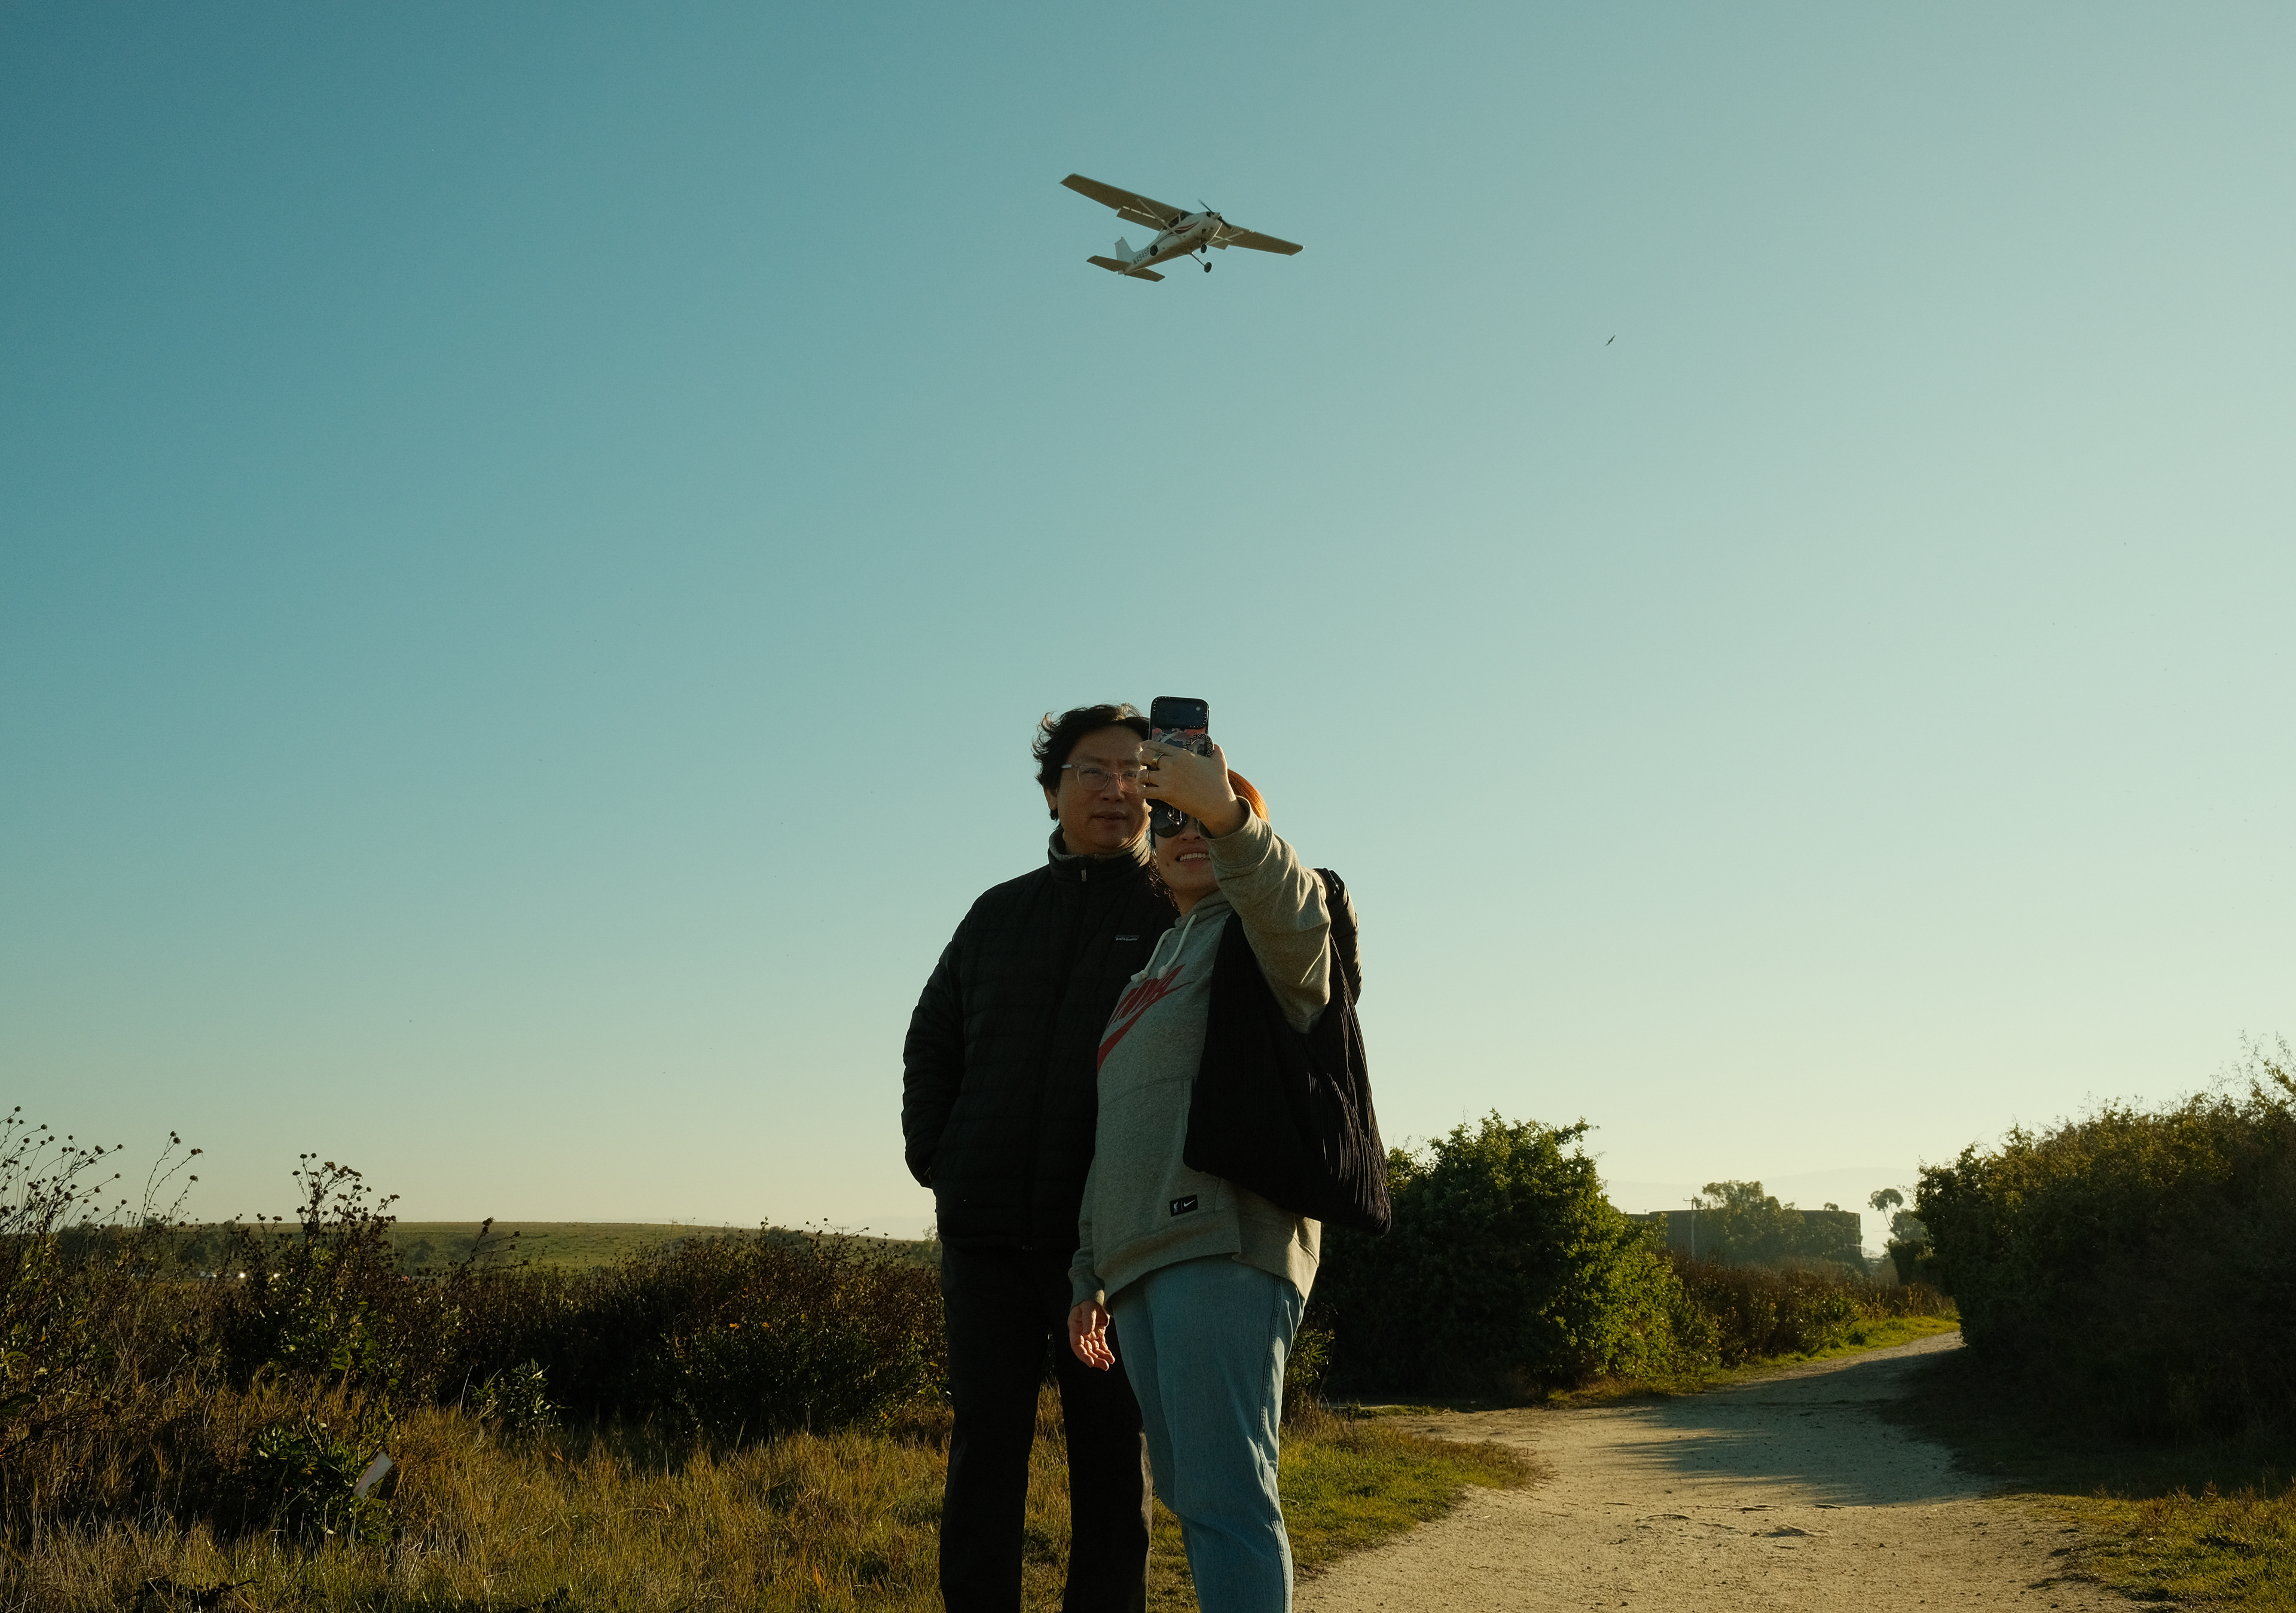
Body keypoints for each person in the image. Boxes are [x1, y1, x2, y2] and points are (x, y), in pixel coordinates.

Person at [1065, 737, 1351, 1613]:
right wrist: (1088, 1273)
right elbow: (1117, 1134)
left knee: (1228, 1496)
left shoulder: (1263, 928)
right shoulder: (1149, 970)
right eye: (1171, 820)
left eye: (1210, 814)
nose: (1187, 831)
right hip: (1141, 1257)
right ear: (1151, 852)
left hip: (1225, 1242)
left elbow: (1297, 919)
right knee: (1194, 1495)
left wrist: (1227, 814)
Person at [902, 704, 1177, 1613]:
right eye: (1093, 770)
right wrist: (940, 1156)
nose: (1117, 789)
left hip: (1108, 1248)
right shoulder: (998, 912)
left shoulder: (1174, 911)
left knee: (1113, 1462)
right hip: (984, 1240)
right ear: (1053, 791)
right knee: (985, 1456)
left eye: (1137, 772)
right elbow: (932, 1037)